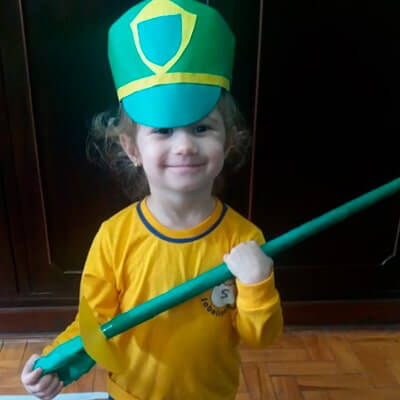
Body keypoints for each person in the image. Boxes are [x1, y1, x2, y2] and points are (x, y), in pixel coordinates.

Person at [21, 1, 283, 399]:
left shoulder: (244, 240)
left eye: (201, 128)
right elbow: (92, 323)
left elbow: (260, 337)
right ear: (132, 148)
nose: (184, 145)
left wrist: (257, 282)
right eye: (162, 130)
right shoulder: (114, 238)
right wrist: (56, 363)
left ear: (228, 141)